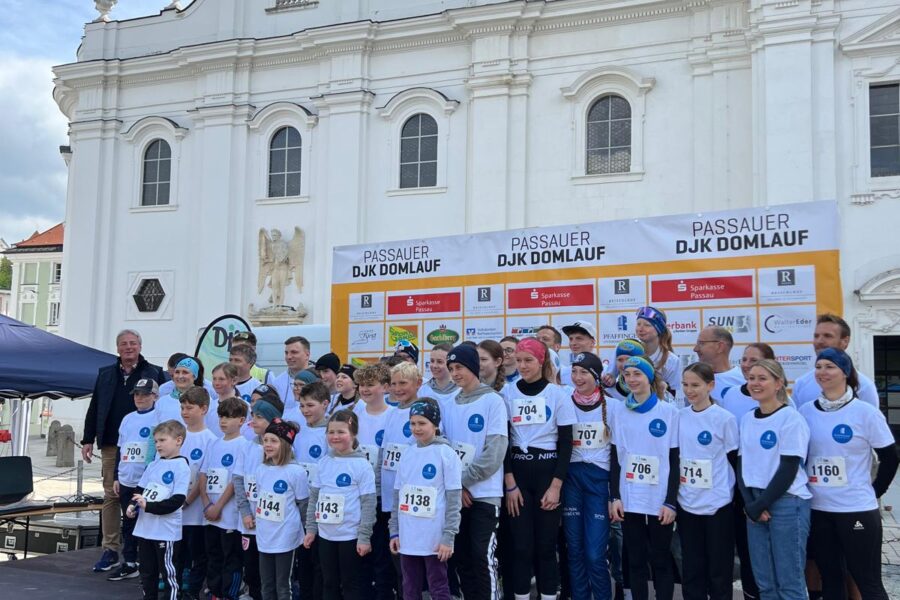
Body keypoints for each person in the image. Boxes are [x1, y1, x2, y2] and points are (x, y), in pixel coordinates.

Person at [799, 348, 898, 600]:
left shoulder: (865, 412)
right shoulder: (806, 411)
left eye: (829, 366)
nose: (822, 372)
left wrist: (875, 491)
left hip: (855, 509)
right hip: (819, 509)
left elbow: (890, 457)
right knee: (830, 579)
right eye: (819, 366)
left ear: (845, 372)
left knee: (867, 582)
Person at [82, 329, 166, 573]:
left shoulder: (154, 373)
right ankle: (110, 548)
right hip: (113, 444)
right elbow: (95, 405)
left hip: (148, 449)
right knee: (111, 495)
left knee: (144, 497)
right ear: (117, 348)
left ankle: (139, 549)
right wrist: (88, 438)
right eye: (123, 344)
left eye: (132, 343)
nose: (128, 347)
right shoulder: (106, 373)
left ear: (140, 346)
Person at [504, 338, 576, 600]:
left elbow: (566, 443)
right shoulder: (507, 393)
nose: (522, 365)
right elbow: (504, 439)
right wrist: (510, 484)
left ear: (541, 360)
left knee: (546, 547)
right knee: (521, 547)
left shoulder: (558, 395)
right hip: (518, 473)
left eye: (528, 360)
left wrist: (556, 486)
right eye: (519, 360)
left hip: (547, 471)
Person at [737, 359, 811, 600]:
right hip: (755, 502)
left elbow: (789, 467)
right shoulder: (747, 418)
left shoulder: (791, 419)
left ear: (779, 383)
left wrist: (761, 505)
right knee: (765, 583)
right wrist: (751, 504)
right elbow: (741, 464)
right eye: (751, 378)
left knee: (789, 582)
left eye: (762, 378)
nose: (755, 383)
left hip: (786, 502)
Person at [608, 356, 679, 600]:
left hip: (659, 498)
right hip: (630, 496)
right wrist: (615, 496)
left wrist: (671, 501)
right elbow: (616, 457)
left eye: (637, 374)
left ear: (649, 377)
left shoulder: (669, 412)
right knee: (636, 560)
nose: (631, 379)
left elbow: (675, 459)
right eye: (627, 375)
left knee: (660, 560)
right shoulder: (619, 411)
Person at [442, 344, 508, 600]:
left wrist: (462, 484)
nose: (455, 373)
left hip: (485, 495)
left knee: (482, 556)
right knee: (462, 559)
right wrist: (456, 488)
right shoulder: (448, 404)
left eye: (459, 367)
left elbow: (494, 453)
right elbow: (445, 453)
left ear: (473, 367)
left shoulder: (493, 400)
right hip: (457, 497)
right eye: (451, 369)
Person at [389, 399, 463, 600]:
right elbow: (398, 496)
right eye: (413, 423)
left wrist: (449, 536)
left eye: (422, 423)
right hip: (408, 535)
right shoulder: (407, 454)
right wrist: (394, 531)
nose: (416, 428)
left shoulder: (446, 454)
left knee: (438, 584)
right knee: (410, 586)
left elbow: (454, 500)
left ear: (435, 424)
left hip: (434, 536)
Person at [677, 363, 739, 600]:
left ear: (710, 386)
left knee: (719, 570)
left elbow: (734, 460)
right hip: (687, 503)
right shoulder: (679, 417)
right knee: (692, 568)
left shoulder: (724, 419)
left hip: (717, 504)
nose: (689, 390)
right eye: (685, 385)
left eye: (695, 385)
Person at [304, 410, 378, 600]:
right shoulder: (324, 462)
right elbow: (314, 498)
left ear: (353, 434)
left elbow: (369, 504)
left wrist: (364, 537)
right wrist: (311, 529)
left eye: (341, 432)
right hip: (326, 535)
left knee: (351, 583)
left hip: (350, 536)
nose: (335, 437)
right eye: (331, 432)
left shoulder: (362, 465)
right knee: (328, 582)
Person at [561, 351, 613, 600]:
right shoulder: (563, 400)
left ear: (596, 376)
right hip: (571, 478)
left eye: (583, 372)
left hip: (598, 480)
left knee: (595, 553)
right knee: (575, 550)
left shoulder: (612, 406)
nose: (578, 377)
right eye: (574, 371)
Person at [126, 419, 191, 600]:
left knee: (169, 573)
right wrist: (133, 506)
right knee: (147, 572)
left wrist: (149, 506)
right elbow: (140, 489)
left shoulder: (181, 466)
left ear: (178, 440)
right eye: (156, 441)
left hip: (165, 531)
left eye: (163, 440)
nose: (158, 445)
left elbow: (177, 500)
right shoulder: (154, 464)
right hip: (145, 529)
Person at [108, 378, 162, 582]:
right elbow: (121, 448)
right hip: (126, 479)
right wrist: (115, 476)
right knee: (128, 522)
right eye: (137, 394)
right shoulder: (128, 418)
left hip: (146, 480)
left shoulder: (158, 418)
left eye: (145, 394)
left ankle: (149, 566)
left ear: (155, 396)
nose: (140, 398)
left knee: (147, 523)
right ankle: (129, 562)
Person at [354, 362, 398, 600]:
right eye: (361, 385)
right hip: (359, 495)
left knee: (382, 555)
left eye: (370, 385)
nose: (365, 389)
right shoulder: (355, 414)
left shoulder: (393, 416)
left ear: (384, 387)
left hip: (384, 497)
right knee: (361, 553)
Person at [234, 393, 285, 600]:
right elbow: (238, 480)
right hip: (249, 521)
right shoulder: (247, 446)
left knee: (273, 571)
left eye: (259, 417)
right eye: (253, 415)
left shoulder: (283, 448)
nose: (253, 420)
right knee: (252, 567)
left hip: (272, 523)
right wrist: (245, 512)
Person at [200, 396, 250, 600]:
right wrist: (206, 504)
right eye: (221, 416)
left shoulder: (243, 445)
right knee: (213, 555)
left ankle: (230, 593)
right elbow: (204, 474)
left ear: (241, 420)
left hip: (228, 514)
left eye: (229, 417)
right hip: (209, 512)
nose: (223, 421)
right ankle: (215, 591)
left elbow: (234, 481)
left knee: (231, 557)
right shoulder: (214, 443)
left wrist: (219, 506)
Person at [255, 419, 310, 600]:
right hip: (264, 535)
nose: (268, 445)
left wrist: (307, 530)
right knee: (266, 584)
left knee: (283, 584)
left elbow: (303, 504)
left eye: (274, 441)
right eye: (266, 440)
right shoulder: (261, 469)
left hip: (285, 535)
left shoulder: (296, 471)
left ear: (285, 444)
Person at [381, 362, 423, 586]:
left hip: (413, 496)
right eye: (394, 384)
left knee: (413, 558)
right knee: (396, 556)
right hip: (391, 495)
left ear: (418, 383)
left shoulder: (424, 409)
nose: (397, 388)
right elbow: (384, 452)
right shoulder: (392, 413)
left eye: (403, 383)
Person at [177, 386, 217, 600]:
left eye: (189, 407)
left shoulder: (209, 439)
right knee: (179, 551)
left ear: (203, 409)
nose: (184, 411)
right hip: (176, 508)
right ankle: (178, 586)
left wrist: (187, 500)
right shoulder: (178, 436)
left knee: (198, 553)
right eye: (182, 407)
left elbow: (203, 476)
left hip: (195, 511)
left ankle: (192, 590)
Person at [293, 380, 331, 600]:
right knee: (304, 559)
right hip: (300, 505)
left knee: (319, 563)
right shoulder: (299, 433)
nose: (305, 410)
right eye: (302, 405)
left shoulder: (330, 433)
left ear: (325, 404)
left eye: (310, 405)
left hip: (319, 508)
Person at [792, 314, 880, 409]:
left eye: (827, 336)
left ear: (845, 341)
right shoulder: (801, 384)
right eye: (816, 336)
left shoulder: (864, 386)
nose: (819, 341)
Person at [720, 343, 776, 426]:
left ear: (769, 363)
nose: (746, 365)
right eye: (744, 359)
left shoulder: (782, 399)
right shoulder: (731, 394)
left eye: (753, 360)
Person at [634, 306, 681, 400]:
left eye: (647, 325)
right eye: (638, 324)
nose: (640, 328)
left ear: (659, 329)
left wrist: (663, 388)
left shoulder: (671, 360)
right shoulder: (630, 349)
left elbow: (675, 396)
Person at [693, 326, 744, 402]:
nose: (695, 349)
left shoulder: (743, 380)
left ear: (720, 347)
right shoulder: (693, 379)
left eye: (701, 343)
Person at [156, 357, 204, 423]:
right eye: (177, 372)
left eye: (185, 372)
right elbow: (154, 429)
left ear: (194, 376)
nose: (180, 376)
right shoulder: (162, 402)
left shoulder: (204, 400)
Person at [272, 335, 312, 409]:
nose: (289, 357)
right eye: (286, 353)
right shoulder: (277, 382)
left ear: (307, 355)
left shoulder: (318, 379)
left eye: (294, 352)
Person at [419, 343, 459, 409]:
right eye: (432, 361)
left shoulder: (461, 389)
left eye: (439, 362)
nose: (434, 366)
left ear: (450, 364)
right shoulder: (422, 390)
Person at [560, 321, 597, 386]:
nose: (573, 343)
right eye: (571, 339)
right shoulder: (562, 374)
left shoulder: (606, 373)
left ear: (592, 342)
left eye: (579, 338)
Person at [210, 362, 241, 437]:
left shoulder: (243, 407)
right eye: (214, 379)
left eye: (221, 379)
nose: (216, 383)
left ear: (234, 381)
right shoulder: (209, 406)